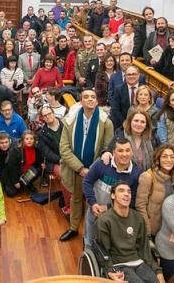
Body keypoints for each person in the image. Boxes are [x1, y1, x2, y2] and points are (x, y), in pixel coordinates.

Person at [59, 89, 114, 242]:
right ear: (81, 101)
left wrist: (92, 170)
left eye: (93, 97)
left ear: (97, 101)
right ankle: (74, 228)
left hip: (96, 171)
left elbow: (107, 149)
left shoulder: (106, 122)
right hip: (76, 169)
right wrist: (80, 168)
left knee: (94, 202)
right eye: (86, 97)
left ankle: (92, 234)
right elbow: (64, 148)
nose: (90, 99)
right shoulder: (70, 120)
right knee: (75, 199)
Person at [96, 181, 165, 283]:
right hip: (118, 264)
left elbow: (144, 249)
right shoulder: (105, 220)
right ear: (113, 195)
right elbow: (103, 251)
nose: (126, 194)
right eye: (121, 190)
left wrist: (158, 271)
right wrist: (109, 271)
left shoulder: (138, 218)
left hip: (138, 262)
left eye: (129, 191)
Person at [83, 138, 142, 249]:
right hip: (94, 212)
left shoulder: (136, 174)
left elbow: (133, 201)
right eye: (120, 151)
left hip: (117, 220)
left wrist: (108, 207)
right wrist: (93, 203)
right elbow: (87, 182)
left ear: (132, 152)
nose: (124, 154)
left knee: (109, 248)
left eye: (127, 150)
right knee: (89, 243)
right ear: (113, 152)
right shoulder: (101, 164)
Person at [136, 145, 174, 237]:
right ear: (158, 159)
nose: (169, 160)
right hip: (153, 230)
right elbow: (140, 205)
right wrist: (147, 230)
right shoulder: (148, 177)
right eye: (164, 156)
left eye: (172, 157)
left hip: (171, 229)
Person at [3, 130, 42, 197]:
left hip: (27, 173)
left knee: (38, 169)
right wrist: (15, 182)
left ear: (34, 140)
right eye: (26, 139)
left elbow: (38, 163)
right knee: (11, 193)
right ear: (23, 140)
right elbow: (12, 168)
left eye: (31, 139)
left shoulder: (37, 150)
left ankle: (28, 183)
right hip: (16, 174)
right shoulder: (16, 150)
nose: (29, 141)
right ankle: (19, 184)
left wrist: (41, 164)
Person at [110, 65, 143, 129]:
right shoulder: (118, 89)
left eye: (134, 74)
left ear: (139, 75)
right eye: (129, 74)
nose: (131, 76)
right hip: (123, 125)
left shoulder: (144, 89)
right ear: (125, 76)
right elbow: (115, 110)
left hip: (141, 125)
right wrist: (125, 124)